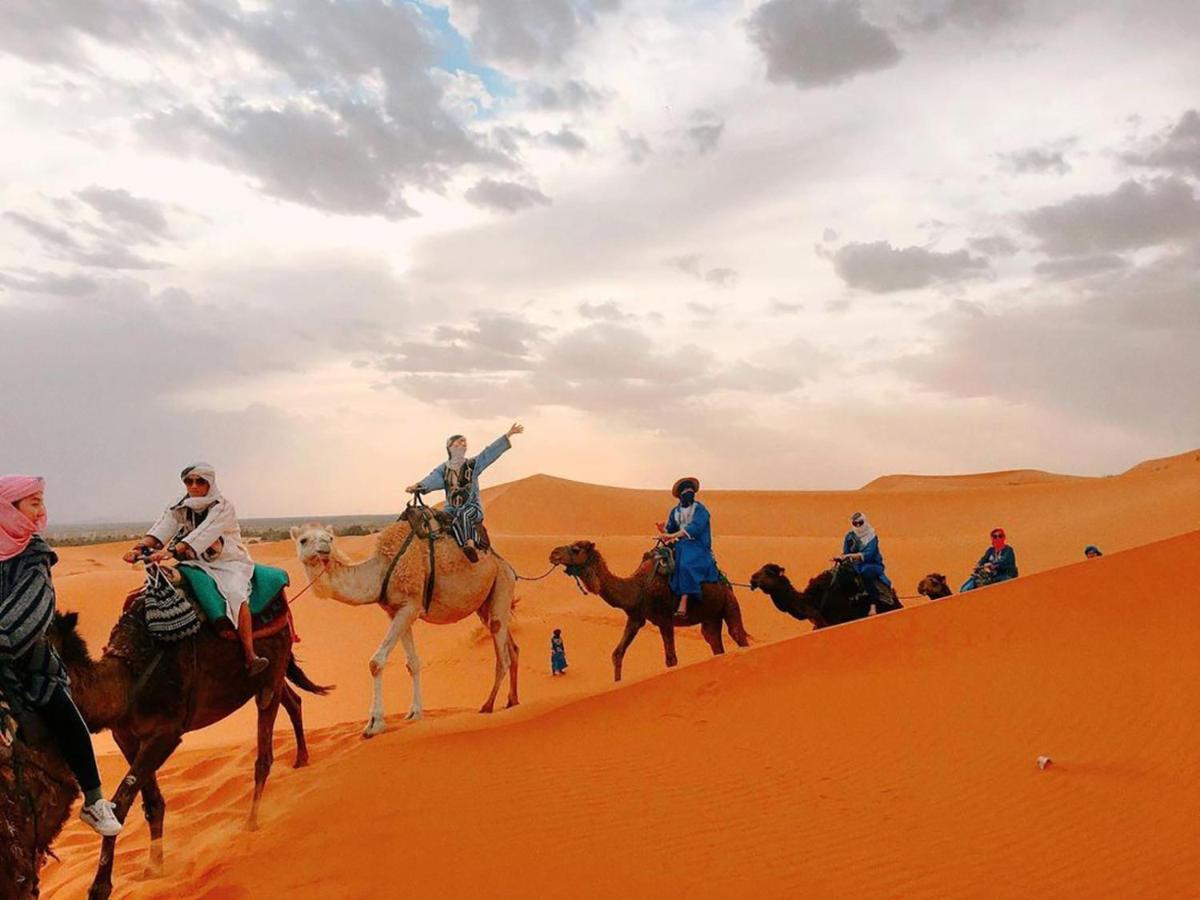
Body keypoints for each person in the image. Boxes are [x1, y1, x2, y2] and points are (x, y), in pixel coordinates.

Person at [0, 475, 123, 837]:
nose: (41, 510)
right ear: (9, 508)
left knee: (67, 718)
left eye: (40, 501)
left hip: (30, 661)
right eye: (33, 502)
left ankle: (95, 799)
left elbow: (33, 608)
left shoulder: (35, 554)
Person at [122, 464, 267, 675]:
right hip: (194, 561)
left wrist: (172, 552)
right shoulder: (179, 505)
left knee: (237, 595)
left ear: (210, 483)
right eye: (189, 481)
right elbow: (162, 529)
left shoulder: (223, 507)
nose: (194, 486)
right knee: (154, 589)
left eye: (200, 481)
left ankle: (250, 655)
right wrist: (138, 549)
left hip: (227, 562)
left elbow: (204, 534)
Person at [406, 423, 524, 563]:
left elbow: (488, 453)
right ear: (450, 447)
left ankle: (469, 545)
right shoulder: (443, 469)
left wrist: (508, 435)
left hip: (471, 507)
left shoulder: (473, 464)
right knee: (433, 520)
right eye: (458, 442)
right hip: (450, 510)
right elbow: (433, 479)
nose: (463, 444)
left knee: (464, 515)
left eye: (464, 442)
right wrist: (419, 486)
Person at [660, 477, 720, 620]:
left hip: (697, 545)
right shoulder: (675, 511)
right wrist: (664, 531)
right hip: (680, 544)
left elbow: (695, 528)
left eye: (690, 489)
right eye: (685, 489)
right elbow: (670, 529)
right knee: (657, 559)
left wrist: (674, 535)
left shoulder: (700, 509)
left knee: (685, 565)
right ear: (680, 494)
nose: (689, 492)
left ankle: (684, 600)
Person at [835, 512, 893, 612]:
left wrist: (850, 556)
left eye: (860, 523)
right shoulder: (850, 536)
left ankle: (873, 605)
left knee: (866, 574)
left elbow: (869, 554)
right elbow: (845, 552)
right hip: (854, 565)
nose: (858, 526)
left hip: (871, 564)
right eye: (855, 523)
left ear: (864, 522)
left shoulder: (872, 537)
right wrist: (842, 558)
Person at [960, 527, 1019, 592]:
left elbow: (1003, 562)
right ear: (992, 539)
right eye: (995, 537)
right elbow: (983, 560)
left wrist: (991, 565)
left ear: (1004, 538)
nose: (998, 538)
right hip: (994, 576)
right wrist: (978, 566)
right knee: (976, 580)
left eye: (1000, 536)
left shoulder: (1008, 550)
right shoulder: (991, 551)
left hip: (1006, 575)